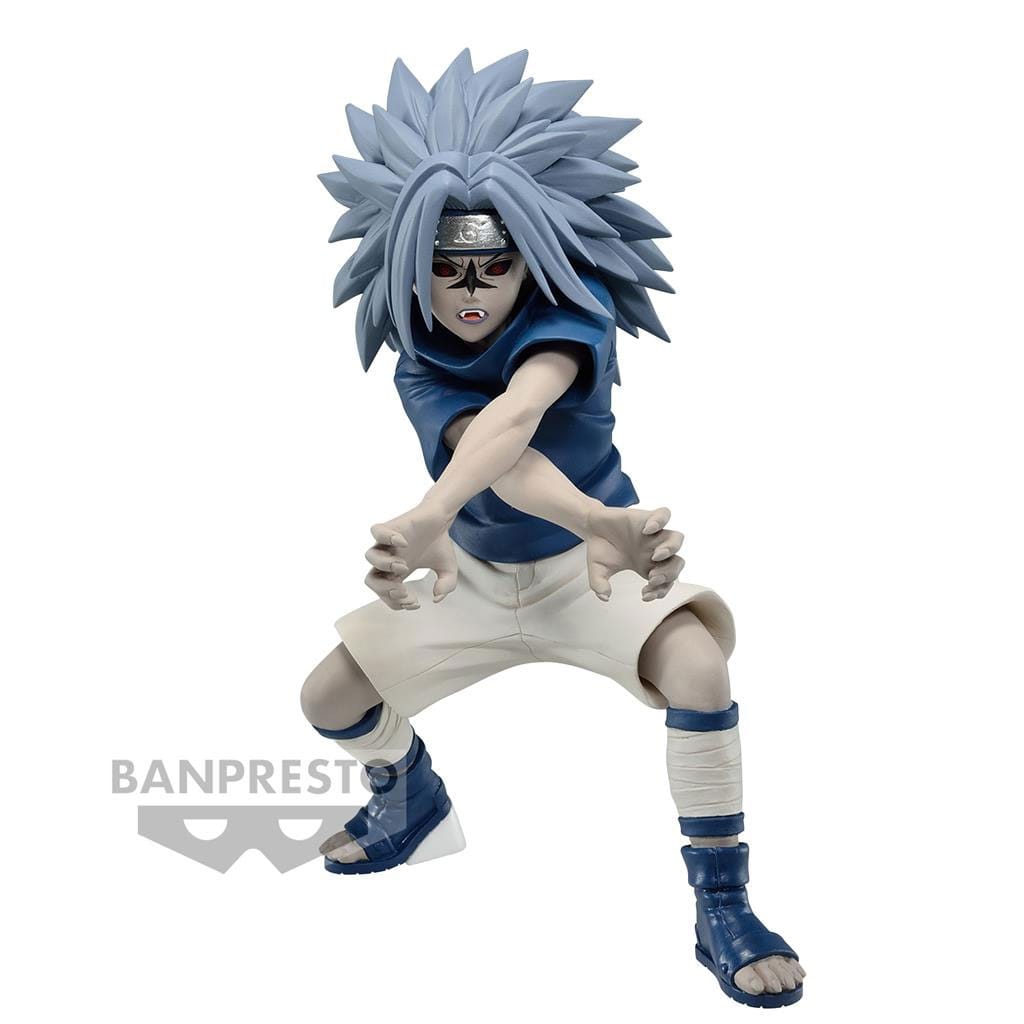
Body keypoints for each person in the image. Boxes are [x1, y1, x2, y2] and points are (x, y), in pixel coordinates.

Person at [301, 49, 804, 1008]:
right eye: (446, 267)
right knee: (328, 699)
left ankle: (723, 906)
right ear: (409, 264)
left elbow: (518, 416)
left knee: (699, 670)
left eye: (495, 264)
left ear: (534, 257)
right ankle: (409, 795)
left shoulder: (572, 318)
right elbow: (490, 448)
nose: (472, 288)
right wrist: (454, 522)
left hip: (592, 571)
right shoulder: (419, 357)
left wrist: (486, 516)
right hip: (474, 576)